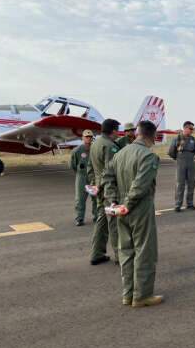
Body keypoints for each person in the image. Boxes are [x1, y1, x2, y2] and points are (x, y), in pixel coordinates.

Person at [103, 120, 163, 308]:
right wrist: (127, 204)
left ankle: (127, 294)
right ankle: (142, 296)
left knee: (126, 252)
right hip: (139, 208)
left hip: (121, 208)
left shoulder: (120, 153)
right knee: (145, 251)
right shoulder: (148, 156)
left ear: (137, 134)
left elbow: (107, 177)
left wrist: (114, 202)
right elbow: (140, 185)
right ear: (152, 136)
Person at [87, 118, 121, 266]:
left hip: (99, 188)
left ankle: (97, 253)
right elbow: (110, 171)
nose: (118, 133)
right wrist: (112, 194)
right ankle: (120, 256)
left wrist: (95, 185)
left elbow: (91, 168)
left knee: (101, 220)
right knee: (114, 222)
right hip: (109, 189)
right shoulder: (109, 146)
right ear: (113, 130)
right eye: (117, 130)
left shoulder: (96, 143)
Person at [168, 121, 195, 212]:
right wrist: (178, 158)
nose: (192, 130)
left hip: (190, 162)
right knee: (180, 184)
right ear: (185, 128)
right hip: (181, 162)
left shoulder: (193, 139)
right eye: (190, 129)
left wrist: (189, 156)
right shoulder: (177, 138)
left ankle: (190, 203)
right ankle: (178, 205)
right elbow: (171, 152)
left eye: (192, 129)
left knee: (191, 183)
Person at [70, 129, 97, 226]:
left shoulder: (95, 149)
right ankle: (79, 218)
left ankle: (96, 216)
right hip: (81, 177)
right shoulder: (77, 150)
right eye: (86, 137)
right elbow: (73, 165)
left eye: (90, 137)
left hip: (93, 177)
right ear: (82, 138)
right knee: (80, 199)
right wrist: (80, 173)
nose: (88, 139)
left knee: (95, 198)